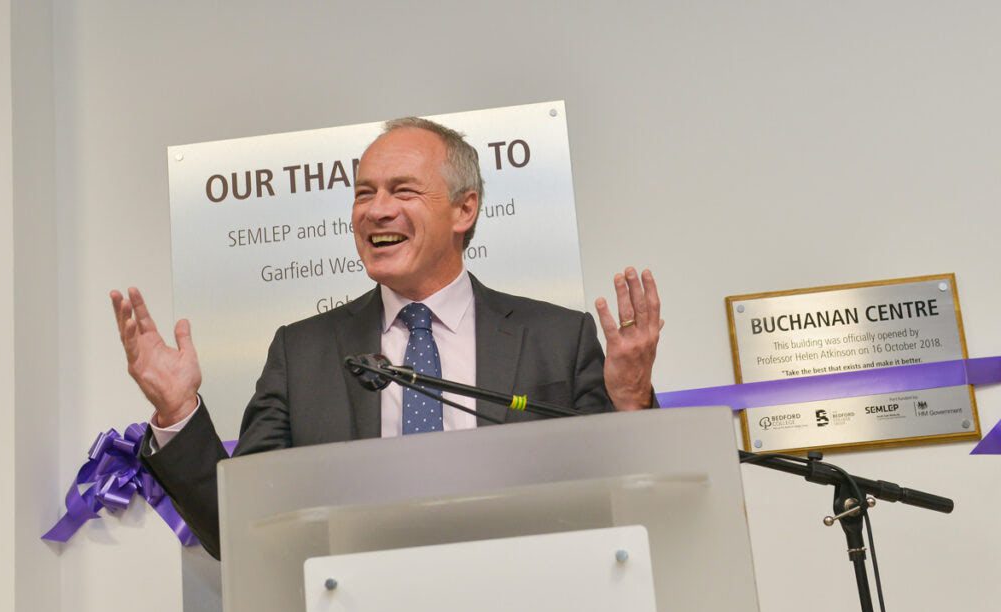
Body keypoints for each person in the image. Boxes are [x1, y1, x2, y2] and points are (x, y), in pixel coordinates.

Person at [110, 117, 663, 558]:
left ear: (464, 209)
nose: (376, 210)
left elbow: (624, 504)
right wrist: (178, 412)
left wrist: (632, 400)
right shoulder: (302, 354)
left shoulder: (557, 339)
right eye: (364, 194)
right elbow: (241, 531)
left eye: (403, 190)